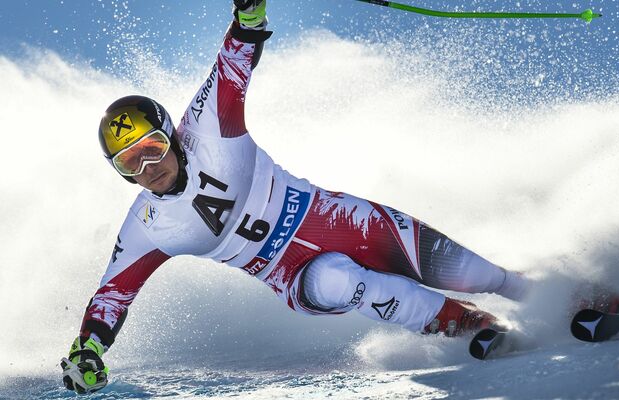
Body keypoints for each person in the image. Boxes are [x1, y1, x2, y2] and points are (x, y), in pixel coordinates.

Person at [60, 0, 531, 394]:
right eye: (129, 164)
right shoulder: (147, 226)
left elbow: (233, 60)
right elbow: (112, 295)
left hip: (332, 217)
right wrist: (89, 349)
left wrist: (248, 15)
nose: (148, 169)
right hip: (293, 275)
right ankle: (469, 324)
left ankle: (539, 293)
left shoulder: (208, 127)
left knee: (475, 272)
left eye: (152, 149)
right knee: (338, 281)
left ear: (172, 136)